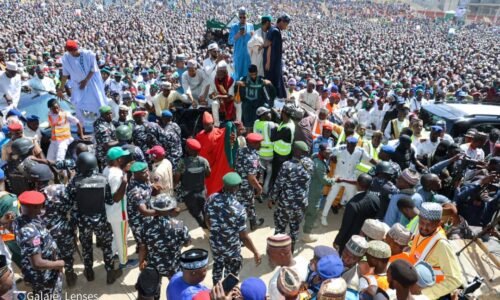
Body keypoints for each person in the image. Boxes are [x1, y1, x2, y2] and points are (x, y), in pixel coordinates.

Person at [66, 152, 122, 284]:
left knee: (86, 247)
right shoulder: (103, 179)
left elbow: (69, 201)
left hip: (83, 220)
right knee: (107, 247)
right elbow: (109, 200)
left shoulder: (75, 181)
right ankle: (110, 273)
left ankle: (89, 272)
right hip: (101, 220)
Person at [204, 172, 261, 284]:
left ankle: (216, 289)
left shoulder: (211, 198)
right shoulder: (239, 209)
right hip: (232, 249)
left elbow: (207, 220)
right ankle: (226, 293)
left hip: (215, 243)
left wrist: (215, 231)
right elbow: (243, 237)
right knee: (231, 276)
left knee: (218, 264)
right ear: (237, 188)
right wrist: (255, 252)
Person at [404, 202, 463, 299]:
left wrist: (424, 294)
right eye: (422, 222)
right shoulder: (419, 230)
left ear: (439, 223)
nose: (424, 227)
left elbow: (455, 280)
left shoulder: (442, 245)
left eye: (429, 225)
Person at [14, 191, 64, 297]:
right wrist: (58, 264)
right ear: (36, 207)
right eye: (41, 205)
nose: (42, 208)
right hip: (44, 276)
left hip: (41, 271)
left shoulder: (19, 219)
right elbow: (37, 263)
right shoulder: (30, 232)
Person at [269, 141, 313, 251]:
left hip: (286, 204)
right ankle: (290, 250)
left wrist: (272, 198)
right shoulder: (310, 163)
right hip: (301, 203)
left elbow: (278, 184)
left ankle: (276, 250)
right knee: (294, 227)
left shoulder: (287, 165)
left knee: (280, 227)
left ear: (295, 150)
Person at [322, 136, 376, 225]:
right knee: (330, 197)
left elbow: (370, 159)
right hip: (338, 177)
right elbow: (327, 152)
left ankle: (349, 219)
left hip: (350, 178)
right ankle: (323, 216)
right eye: (349, 145)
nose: (350, 147)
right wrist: (331, 157)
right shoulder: (340, 148)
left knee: (351, 200)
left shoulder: (360, 151)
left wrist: (380, 166)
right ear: (346, 143)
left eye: (353, 145)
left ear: (356, 145)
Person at [139, 194, 190, 279]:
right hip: (173, 266)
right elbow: (187, 243)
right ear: (171, 209)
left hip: (154, 266)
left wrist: (141, 262)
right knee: (174, 286)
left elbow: (142, 248)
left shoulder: (146, 225)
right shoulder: (177, 225)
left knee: (155, 289)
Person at [102, 147, 137, 270]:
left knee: (120, 234)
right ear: (118, 159)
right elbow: (117, 197)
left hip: (110, 210)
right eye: (122, 157)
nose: (123, 159)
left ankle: (111, 254)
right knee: (122, 239)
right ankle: (124, 262)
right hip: (119, 212)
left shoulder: (107, 169)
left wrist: (124, 171)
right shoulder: (117, 175)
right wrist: (124, 181)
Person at [57, 40, 107, 123]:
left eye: (75, 50)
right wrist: (60, 89)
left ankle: (103, 121)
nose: (74, 53)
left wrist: (86, 80)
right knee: (78, 104)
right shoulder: (66, 58)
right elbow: (65, 74)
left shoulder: (88, 54)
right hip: (77, 84)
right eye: (71, 51)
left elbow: (93, 69)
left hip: (91, 82)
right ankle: (81, 126)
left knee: (99, 102)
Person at [334, 174, 379, 252]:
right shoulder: (376, 199)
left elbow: (345, 227)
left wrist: (337, 241)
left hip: (350, 240)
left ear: (357, 184)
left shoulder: (353, 204)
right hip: (365, 239)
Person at [174, 139, 210, 229]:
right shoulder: (204, 161)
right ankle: (209, 224)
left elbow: (176, 179)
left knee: (196, 213)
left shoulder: (182, 162)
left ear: (189, 150)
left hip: (188, 193)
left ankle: (205, 227)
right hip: (201, 191)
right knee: (204, 209)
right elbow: (208, 174)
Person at [302, 144, 335, 243]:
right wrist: (334, 180)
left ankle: (309, 223)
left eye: (330, 153)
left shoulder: (316, 156)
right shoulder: (319, 165)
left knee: (309, 208)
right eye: (326, 153)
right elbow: (325, 181)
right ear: (321, 151)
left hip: (311, 187)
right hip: (314, 191)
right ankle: (306, 235)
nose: (329, 155)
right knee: (313, 211)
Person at [235, 133, 265, 231]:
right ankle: (241, 233)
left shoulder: (241, 150)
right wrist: (259, 188)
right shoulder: (251, 157)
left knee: (250, 204)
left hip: (238, 183)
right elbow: (251, 178)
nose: (261, 145)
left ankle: (254, 223)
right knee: (242, 208)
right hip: (245, 186)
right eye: (259, 143)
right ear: (254, 144)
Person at [267, 234, 309, 299]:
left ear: (282, 254)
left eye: (269, 253)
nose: (268, 257)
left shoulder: (276, 284)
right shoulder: (303, 261)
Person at [126, 161, 157, 247]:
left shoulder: (144, 180)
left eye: (147, 170)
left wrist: (153, 187)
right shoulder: (135, 191)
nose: (147, 174)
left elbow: (149, 191)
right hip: (139, 222)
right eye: (144, 173)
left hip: (148, 218)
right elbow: (144, 211)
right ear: (136, 174)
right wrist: (163, 212)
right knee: (143, 244)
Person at [236, 64, 274, 129]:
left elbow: (270, 92)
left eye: (254, 74)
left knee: (257, 124)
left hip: (258, 105)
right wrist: (237, 83)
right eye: (251, 74)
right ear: (249, 73)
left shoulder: (261, 80)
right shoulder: (244, 79)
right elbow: (237, 86)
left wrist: (269, 84)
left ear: (257, 72)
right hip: (247, 106)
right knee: (247, 126)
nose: (253, 76)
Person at [264, 14, 291, 99]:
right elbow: (267, 45)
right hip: (272, 62)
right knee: (272, 82)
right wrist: (268, 61)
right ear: (282, 22)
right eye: (286, 25)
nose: (286, 27)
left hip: (274, 61)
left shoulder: (275, 29)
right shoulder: (275, 30)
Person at [253, 106, 275, 196]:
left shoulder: (256, 123)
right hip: (269, 154)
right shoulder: (270, 124)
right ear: (262, 116)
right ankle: (265, 191)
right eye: (267, 113)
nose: (270, 115)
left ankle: (257, 190)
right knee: (269, 172)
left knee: (259, 173)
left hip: (258, 153)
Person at [271, 104, 295, 186]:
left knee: (276, 175)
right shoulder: (289, 121)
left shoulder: (287, 128)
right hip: (283, 154)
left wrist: (273, 127)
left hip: (281, 155)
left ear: (284, 114)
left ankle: (273, 193)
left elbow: (273, 138)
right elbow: (280, 120)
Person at [208, 62, 239, 126]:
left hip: (230, 100)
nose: (219, 77)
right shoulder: (214, 80)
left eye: (221, 75)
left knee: (238, 104)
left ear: (225, 73)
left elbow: (230, 96)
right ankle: (216, 124)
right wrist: (212, 95)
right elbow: (210, 94)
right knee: (214, 103)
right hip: (219, 99)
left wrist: (218, 96)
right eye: (218, 74)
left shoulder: (231, 80)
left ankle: (238, 123)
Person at [229, 7, 254, 80]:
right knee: (238, 76)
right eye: (240, 17)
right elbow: (230, 41)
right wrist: (238, 34)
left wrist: (253, 35)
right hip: (238, 55)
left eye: (244, 17)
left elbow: (253, 40)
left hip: (248, 56)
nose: (242, 19)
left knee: (247, 76)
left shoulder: (250, 26)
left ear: (247, 16)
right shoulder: (234, 26)